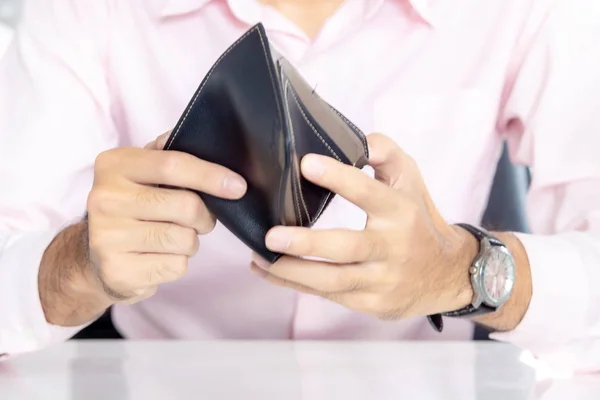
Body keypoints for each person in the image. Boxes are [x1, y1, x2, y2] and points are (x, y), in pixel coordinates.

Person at [1, 0, 599, 373]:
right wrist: (76, 265)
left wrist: (464, 270)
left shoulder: (526, 10)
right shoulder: (82, 11)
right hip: (159, 378)